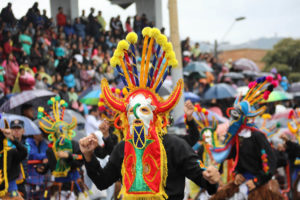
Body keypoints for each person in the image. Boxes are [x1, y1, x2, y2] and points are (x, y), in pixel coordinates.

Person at [80, 28, 220, 200]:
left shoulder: (175, 146)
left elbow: (206, 183)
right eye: (132, 111)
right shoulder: (122, 148)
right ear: (126, 116)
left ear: (155, 115)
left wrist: (212, 179)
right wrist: (88, 156)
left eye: (144, 110)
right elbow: (102, 181)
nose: (137, 116)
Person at [210, 76, 282, 200]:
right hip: (242, 184)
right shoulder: (237, 137)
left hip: (259, 185)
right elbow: (236, 160)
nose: (232, 120)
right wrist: (237, 174)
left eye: (236, 116)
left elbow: (271, 162)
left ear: (244, 117)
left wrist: (256, 181)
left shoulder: (257, 136)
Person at [37, 96, 88, 200]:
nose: (61, 134)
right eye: (58, 132)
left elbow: (81, 158)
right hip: (58, 188)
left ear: (68, 131)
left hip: (74, 187)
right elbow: (51, 166)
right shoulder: (51, 149)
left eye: (63, 130)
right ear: (53, 135)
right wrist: (42, 169)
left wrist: (68, 155)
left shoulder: (74, 144)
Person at [0, 118, 28, 200]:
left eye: (18, 128)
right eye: (14, 128)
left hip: (11, 187)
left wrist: (12, 138)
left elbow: (24, 152)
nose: (16, 130)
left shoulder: (10, 151)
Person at [26, 133, 49, 199]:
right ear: (34, 134)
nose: (42, 135)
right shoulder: (28, 142)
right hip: (29, 178)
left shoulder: (43, 143)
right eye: (40, 133)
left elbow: (48, 152)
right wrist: (44, 157)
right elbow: (32, 155)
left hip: (40, 178)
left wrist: (46, 156)